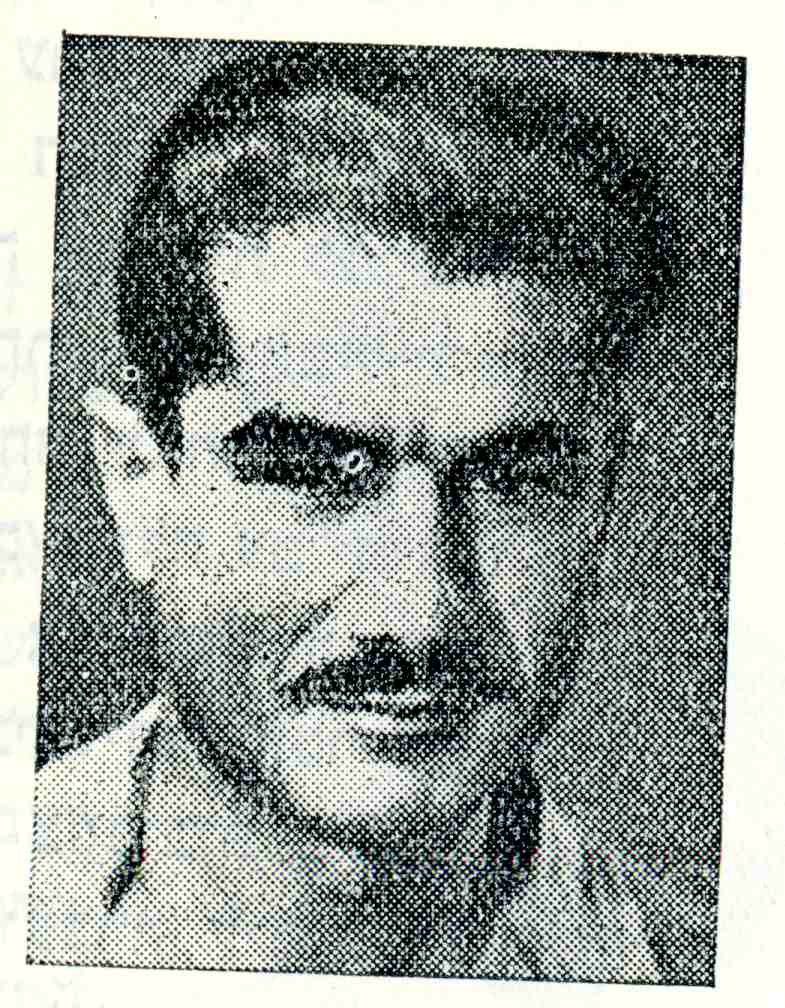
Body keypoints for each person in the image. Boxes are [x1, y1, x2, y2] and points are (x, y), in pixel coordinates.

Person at [28, 48, 681, 981]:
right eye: (314, 471)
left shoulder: (699, 960)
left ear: (603, 500)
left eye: (515, 480)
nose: (418, 610)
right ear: (140, 487)